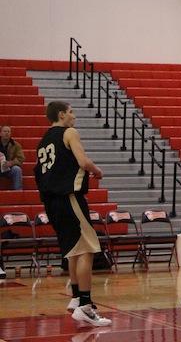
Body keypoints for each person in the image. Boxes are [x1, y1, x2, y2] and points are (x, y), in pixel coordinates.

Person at [34, 101, 110, 326]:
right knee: (87, 249)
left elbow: (38, 172)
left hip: (51, 202)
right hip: (69, 197)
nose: (74, 116)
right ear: (61, 114)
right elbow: (82, 161)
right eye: (71, 112)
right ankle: (86, 306)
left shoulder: (43, 140)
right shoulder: (69, 132)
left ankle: (77, 299)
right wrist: (97, 171)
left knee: (73, 251)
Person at [0, 125, 24, 190]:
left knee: (17, 169)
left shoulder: (16, 145)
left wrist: (11, 163)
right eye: (5, 131)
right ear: (1, 133)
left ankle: (18, 192)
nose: (7, 133)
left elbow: (21, 158)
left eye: (8, 131)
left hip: (9, 169)